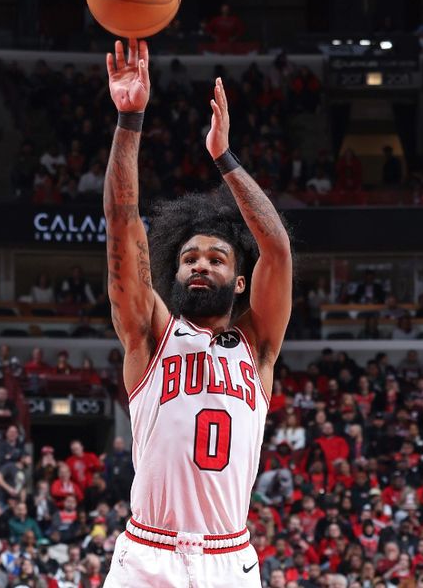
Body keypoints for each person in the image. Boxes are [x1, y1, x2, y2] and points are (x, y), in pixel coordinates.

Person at [101, 39, 291, 588]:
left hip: (228, 558)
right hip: (148, 552)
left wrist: (225, 158)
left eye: (215, 257)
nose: (199, 265)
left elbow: (276, 250)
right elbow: (122, 221)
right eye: (188, 258)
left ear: (239, 280)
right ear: (174, 273)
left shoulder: (258, 346)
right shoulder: (150, 335)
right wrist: (130, 120)